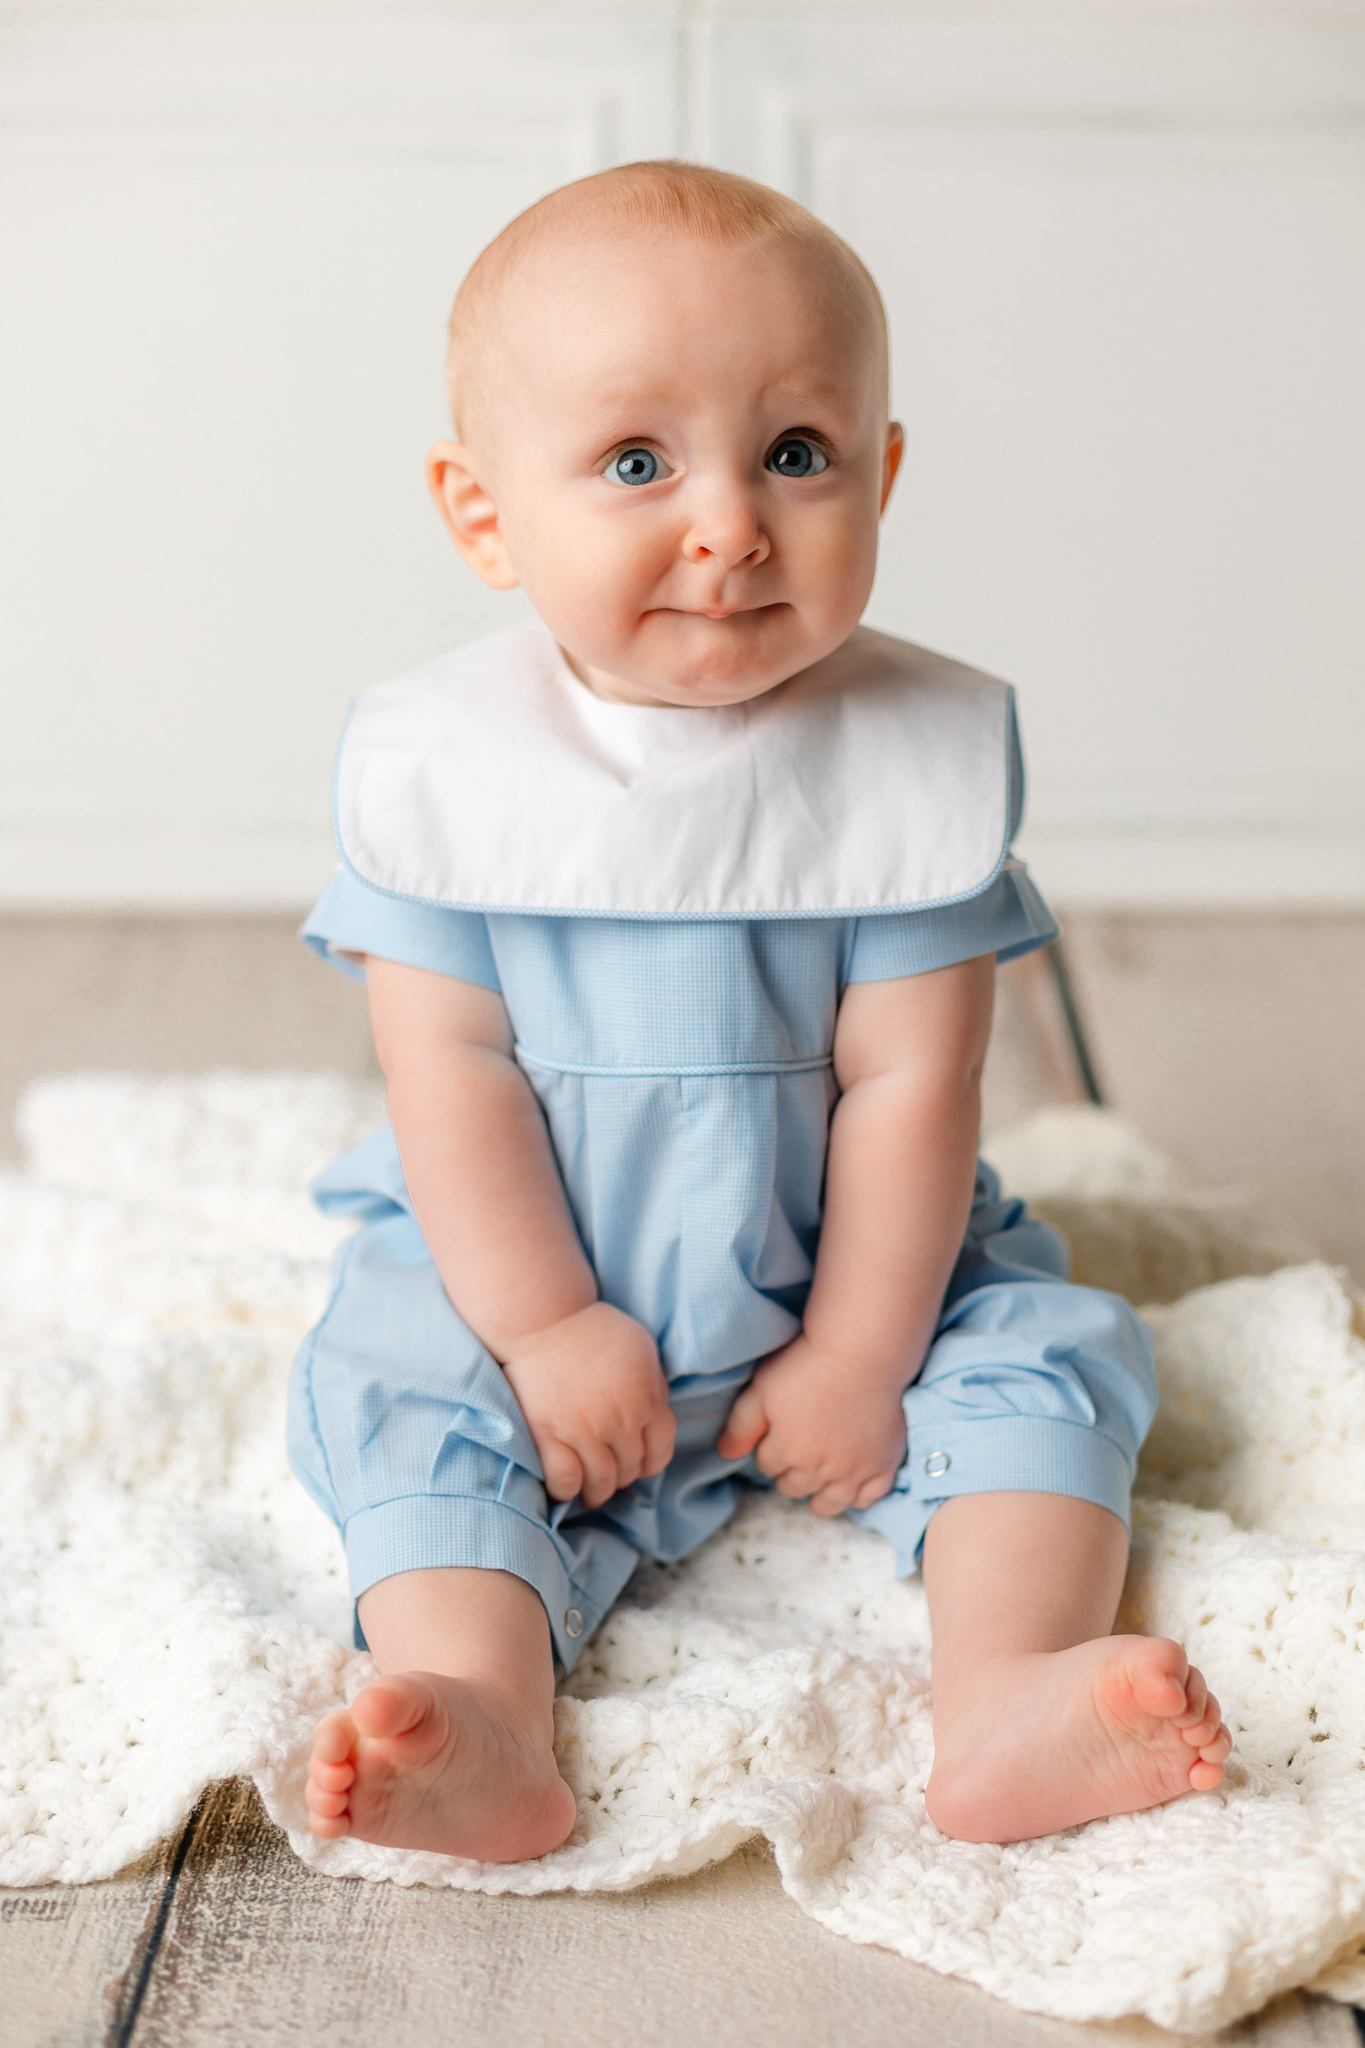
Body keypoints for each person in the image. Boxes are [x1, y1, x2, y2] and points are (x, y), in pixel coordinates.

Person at [289, 160, 1231, 1862]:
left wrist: (868, 1351)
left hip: (854, 1249)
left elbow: (911, 1085)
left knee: (1038, 1357)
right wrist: (546, 1325)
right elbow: (451, 1071)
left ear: (880, 473)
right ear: (485, 512)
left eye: (795, 455)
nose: (727, 522)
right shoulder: (450, 778)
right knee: (397, 1380)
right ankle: (484, 1706)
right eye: (636, 463)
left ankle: (1011, 1687)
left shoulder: (904, 768)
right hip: (529, 1263)